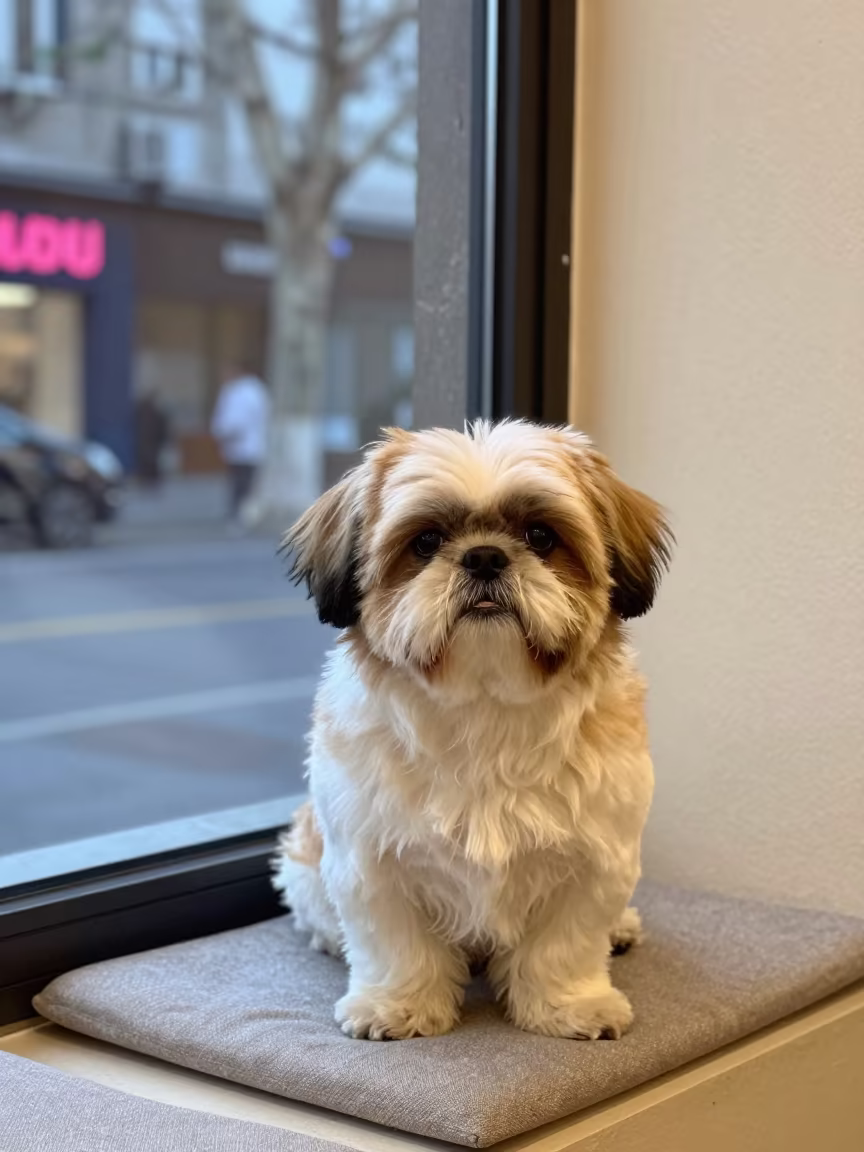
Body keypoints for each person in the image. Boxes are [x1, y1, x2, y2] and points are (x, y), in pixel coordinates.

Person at [210, 359, 271, 528]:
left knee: (242, 483)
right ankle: (239, 513)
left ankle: (241, 515)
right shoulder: (241, 390)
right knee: (239, 481)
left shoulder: (246, 392)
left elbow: (235, 421)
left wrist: (223, 432)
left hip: (245, 446)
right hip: (240, 447)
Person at [134, 385, 170, 488]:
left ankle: (150, 479)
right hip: (147, 439)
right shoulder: (145, 410)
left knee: (151, 460)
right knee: (149, 460)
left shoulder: (154, 411)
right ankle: (148, 479)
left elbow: (162, 426)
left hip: (150, 439)